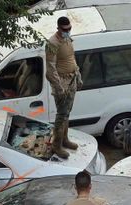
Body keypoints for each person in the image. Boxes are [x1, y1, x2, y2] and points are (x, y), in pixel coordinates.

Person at [45, 16, 81, 159]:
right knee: (61, 114)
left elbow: (71, 58)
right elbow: (50, 68)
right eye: (65, 29)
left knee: (67, 113)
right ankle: (57, 145)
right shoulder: (52, 43)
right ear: (58, 28)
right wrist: (58, 86)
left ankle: (65, 140)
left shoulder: (67, 39)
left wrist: (78, 75)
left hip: (71, 79)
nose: (68, 31)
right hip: (62, 82)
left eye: (69, 28)